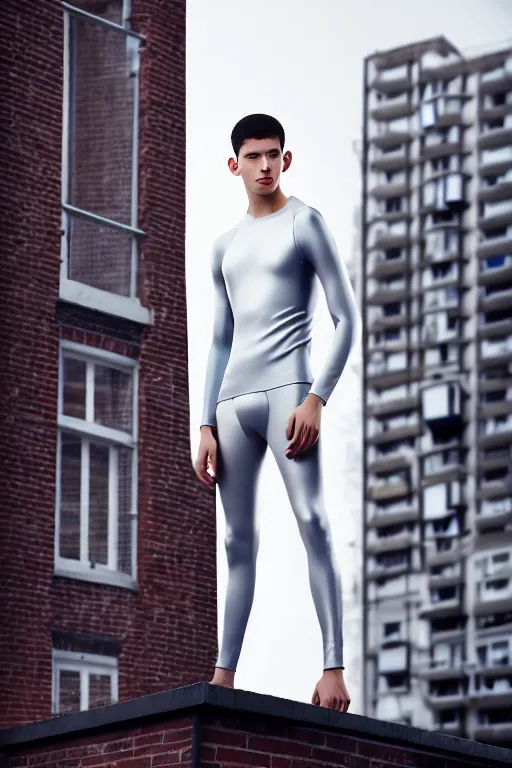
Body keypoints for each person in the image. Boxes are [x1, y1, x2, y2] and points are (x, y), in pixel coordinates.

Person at [194, 114, 361, 712]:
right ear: (234, 165)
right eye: (253, 156)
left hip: (292, 393)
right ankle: (223, 676)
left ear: (285, 160)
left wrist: (318, 396)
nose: (264, 165)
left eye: (274, 155)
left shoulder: (305, 223)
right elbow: (218, 340)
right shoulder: (224, 248)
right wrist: (205, 422)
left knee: (313, 522)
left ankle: (333, 669)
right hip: (233, 404)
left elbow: (347, 318)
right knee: (238, 540)